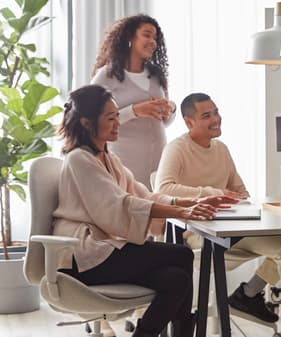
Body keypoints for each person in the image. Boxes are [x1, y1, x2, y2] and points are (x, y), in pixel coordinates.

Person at [53, 85, 236, 337]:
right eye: (110, 117)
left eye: (118, 115)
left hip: (104, 251)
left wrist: (189, 204)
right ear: (86, 122)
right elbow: (121, 205)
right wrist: (183, 213)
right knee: (182, 256)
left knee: (177, 280)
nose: (118, 122)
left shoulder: (109, 160)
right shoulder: (79, 160)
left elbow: (145, 196)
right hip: (83, 256)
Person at [155, 93, 281, 337]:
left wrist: (238, 198)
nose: (216, 119)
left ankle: (249, 293)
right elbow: (163, 189)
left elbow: (241, 192)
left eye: (216, 112)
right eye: (206, 115)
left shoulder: (221, 149)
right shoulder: (176, 149)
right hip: (200, 235)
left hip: (233, 227)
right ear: (189, 122)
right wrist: (214, 193)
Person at [91, 14, 175, 189]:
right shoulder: (107, 75)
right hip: (124, 159)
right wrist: (134, 110)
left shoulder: (156, 75)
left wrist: (170, 109)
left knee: (157, 210)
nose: (153, 41)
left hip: (159, 160)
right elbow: (93, 121)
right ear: (130, 36)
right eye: (147, 35)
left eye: (155, 38)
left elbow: (164, 122)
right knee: (130, 208)